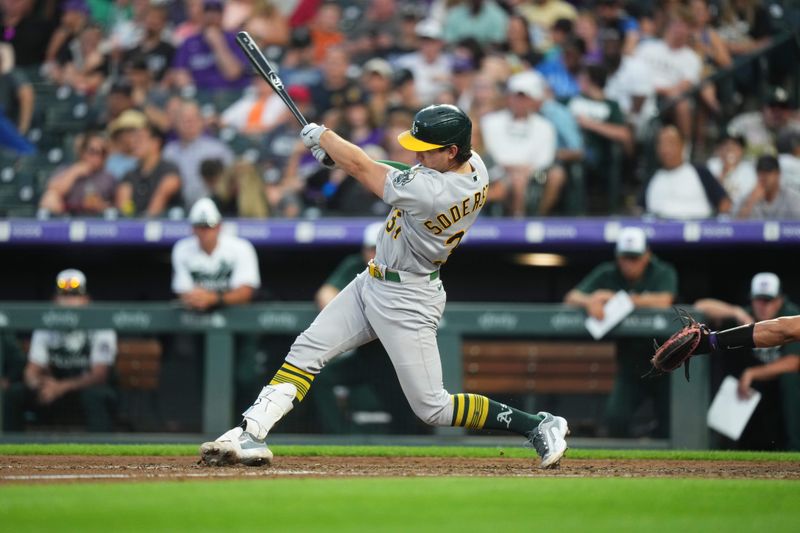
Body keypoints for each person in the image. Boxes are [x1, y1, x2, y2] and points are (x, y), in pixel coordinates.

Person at [200, 104, 570, 469]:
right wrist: (338, 159)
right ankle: (252, 432)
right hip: (373, 281)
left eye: (427, 151)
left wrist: (326, 137)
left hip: (408, 296)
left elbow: (368, 168)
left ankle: (537, 425)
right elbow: (394, 172)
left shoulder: (436, 191)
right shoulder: (476, 167)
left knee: (433, 408)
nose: (417, 155)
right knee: (307, 350)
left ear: (451, 151)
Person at [564, 227, 678, 438]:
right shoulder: (608, 272)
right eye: (625, 257)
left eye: (635, 258)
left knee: (672, 423)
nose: (629, 263)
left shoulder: (662, 271)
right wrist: (591, 300)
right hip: (631, 364)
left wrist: (618, 299)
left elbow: (664, 300)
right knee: (616, 419)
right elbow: (571, 297)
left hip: (667, 362)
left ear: (647, 255)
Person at [311, 222, 422, 434]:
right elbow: (325, 294)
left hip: (394, 359)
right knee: (323, 378)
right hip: (364, 355)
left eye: (381, 247)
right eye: (371, 248)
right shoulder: (356, 266)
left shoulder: (406, 267)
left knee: (406, 412)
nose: (375, 253)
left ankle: (408, 448)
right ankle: (339, 437)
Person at [168, 198, 263, 423]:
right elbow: (182, 290)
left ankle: (248, 428)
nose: (205, 232)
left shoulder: (239, 247)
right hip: (203, 323)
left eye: (209, 227)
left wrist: (214, 297)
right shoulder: (182, 249)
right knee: (207, 378)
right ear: (193, 228)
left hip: (239, 323)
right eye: (200, 227)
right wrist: (197, 297)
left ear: (219, 226)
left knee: (245, 378)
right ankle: (213, 431)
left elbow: (247, 291)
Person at [693, 272, 800, 450]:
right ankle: (722, 449)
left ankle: (794, 447)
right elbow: (700, 306)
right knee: (729, 381)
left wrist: (753, 373)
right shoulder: (745, 316)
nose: (763, 306)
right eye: (759, 299)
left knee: (790, 382)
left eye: (769, 300)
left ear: (780, 300)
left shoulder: (789, 314)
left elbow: (793, 361)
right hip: (748, 391)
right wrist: (735, 312)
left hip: (779, 390)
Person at [2, 269, 117, 432]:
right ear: (55, 299)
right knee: (14, 394)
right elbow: (31, 370)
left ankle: (102, 453)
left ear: (86, 299)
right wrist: (38, 384)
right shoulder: (46, 324)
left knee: (96, 395)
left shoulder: (100, 324)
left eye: (75, 295)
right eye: (64, 295)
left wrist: (61, 387)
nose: (69, 301)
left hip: (83, 390)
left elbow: (100, 375)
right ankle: (11, 451)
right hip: (53, 390)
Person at [480, 71, 559, 217]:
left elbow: (546, 158)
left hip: (535, 173)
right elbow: (490, 152)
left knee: (555, 175)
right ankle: (518, 221)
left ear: (532, 100)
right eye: (516, 96)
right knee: (517, 180)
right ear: (509, 98)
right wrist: (511, 169)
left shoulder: (545, 126)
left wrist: (527, 169)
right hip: (498, 172)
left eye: (524, 97)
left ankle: (538, 217)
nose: (519, 101)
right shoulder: (490, 121)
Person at [642, 126, 731, 219]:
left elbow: (724, 202)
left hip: (697, 228)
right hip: (659, 229)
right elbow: (639, 208)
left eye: (670, 143)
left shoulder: (700, 172)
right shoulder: (652, 177)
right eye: (661, 144)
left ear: (682, 145)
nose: (665, 149)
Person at [162, 100, 234, 208]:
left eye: (193, 119)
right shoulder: (169, 152)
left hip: (214, 207)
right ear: (176, 124)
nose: (189, 123)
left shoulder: (218, 150)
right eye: (184, 120)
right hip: (177, 208)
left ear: (201, 121)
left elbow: (232, 181)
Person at [38, 131, 116, 216]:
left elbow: (117, 207)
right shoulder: (66, 169)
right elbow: (53, 190)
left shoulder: (108, 177)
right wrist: (74, 172)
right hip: (68, 218)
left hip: (97, 221)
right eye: (92, 151)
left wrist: (100, 205)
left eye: (102, 153)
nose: (97, 157)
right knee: (50, 197)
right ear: (82, 152)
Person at [116, 123, 182, 217]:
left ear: (156, 143)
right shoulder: (130, 174)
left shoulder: (170, 171)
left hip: (166, 228)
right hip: (134, 226)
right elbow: (123, 210)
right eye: (134, 139)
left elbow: (155, 210)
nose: (134, 143)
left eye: (140, 139)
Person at [736, 155, 800, 219]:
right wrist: (751, 202)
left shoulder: (792, 197)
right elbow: (736, 225)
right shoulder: (750, 197)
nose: (764, 178)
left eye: (768, 173)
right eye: (760, 173)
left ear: (778, 174)